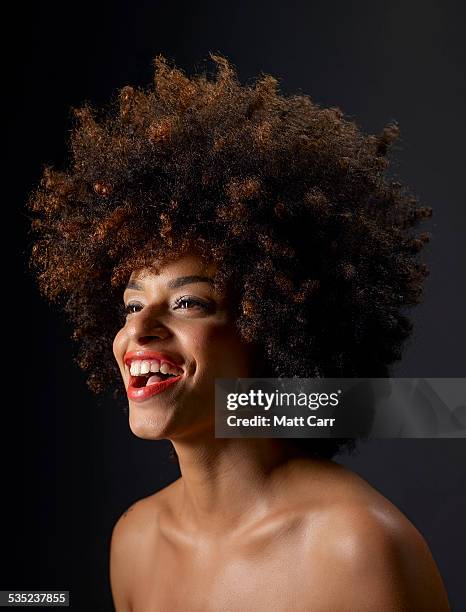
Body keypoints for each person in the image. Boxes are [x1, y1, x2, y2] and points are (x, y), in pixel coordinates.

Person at [27, 53, 450, 610]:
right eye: (131, 304)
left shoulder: (351, 547)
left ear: (271, 330)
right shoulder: (135, 542)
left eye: (188, 302)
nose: (141, 330)